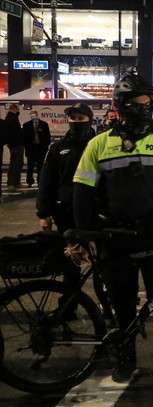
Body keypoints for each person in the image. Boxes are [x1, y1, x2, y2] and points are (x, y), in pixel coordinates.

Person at [71, 71, 153, 384]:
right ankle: (125, 361)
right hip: (116, 237)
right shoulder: (99, 144)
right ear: (121, 105)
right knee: (121, 303)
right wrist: (84, 234)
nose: (143, 108)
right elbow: (82, 193)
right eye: (137, 102)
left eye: (148, 102)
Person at [37, 103, 97, 306]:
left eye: (81, 118)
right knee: (70, 264)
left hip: (96, 212)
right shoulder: (58, 148)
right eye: (73, 118)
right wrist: (43, 213)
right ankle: (68, 306)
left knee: (101, 264)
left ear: (89, 120)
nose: (76, 122)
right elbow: (47, 180)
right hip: (66, 212)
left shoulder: (99, 145)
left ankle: (108, 308)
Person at [22, 109, 51, 187]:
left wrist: (45, 146)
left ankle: (40, 181)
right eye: (31, 114)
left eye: (33, 114)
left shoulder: (44, 124)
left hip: (41, 148)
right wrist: (27, 147)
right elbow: (24, 138)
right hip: (31, 148)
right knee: (30, 167)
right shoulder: (26, 125)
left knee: (40, 166)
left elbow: (48, 136)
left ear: (37, 115)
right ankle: (30, 182)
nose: (32, 116)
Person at [4, 104, 24, 190]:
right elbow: (14, 133)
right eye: (18, 109)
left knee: (17, 164)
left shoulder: (11, 118)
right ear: (15, 109)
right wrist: (15, 143)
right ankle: (12, 183)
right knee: (15, 164)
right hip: (15, 144)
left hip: (15, 144)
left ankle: (15, 182)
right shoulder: (11, 118)